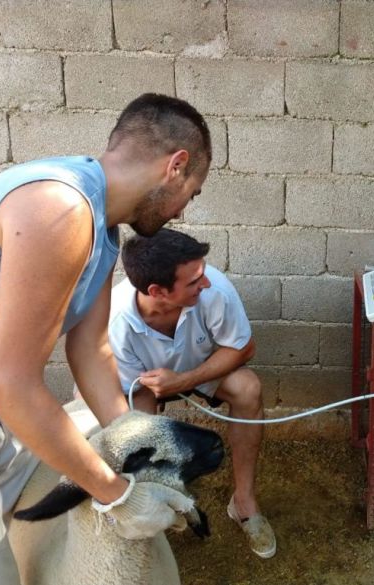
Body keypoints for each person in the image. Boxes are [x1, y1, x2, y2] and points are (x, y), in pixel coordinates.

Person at [0, 93, 211, 585]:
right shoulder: (60, 209)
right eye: (192, 194)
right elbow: (9, 385)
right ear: (176, 166)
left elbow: (89, 348)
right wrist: (119, 494)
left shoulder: (102, 228)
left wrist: (134, 439)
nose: (181, 212)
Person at [107, 228, 277, 559]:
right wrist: (156, 401)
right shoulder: (116, 321)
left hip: (200, 370)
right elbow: (136, 395)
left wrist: (184, 380)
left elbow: (243, 349)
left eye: (202, 273)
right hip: (147, 384)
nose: (207, 282)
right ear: (157, 291)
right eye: (194, 280)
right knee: (134, 428)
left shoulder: (215, 292)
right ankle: (160, 504)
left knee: (248, 388)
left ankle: (243, 502)